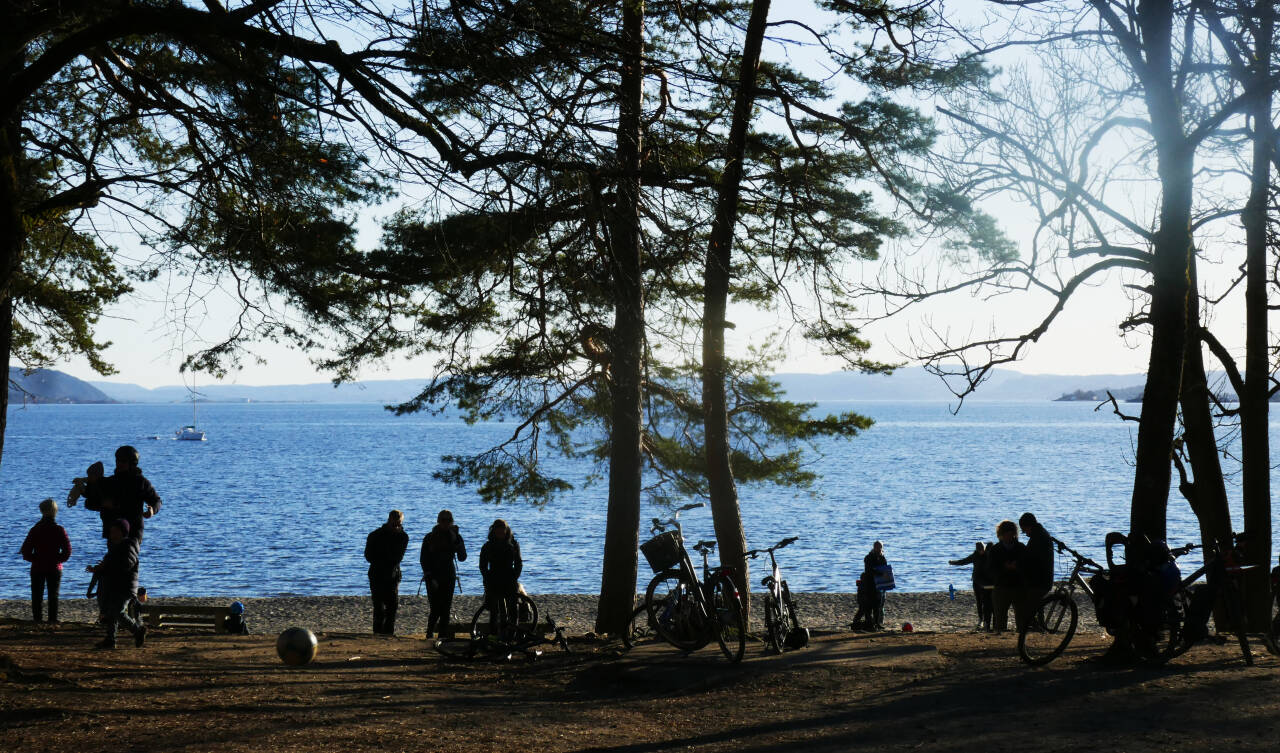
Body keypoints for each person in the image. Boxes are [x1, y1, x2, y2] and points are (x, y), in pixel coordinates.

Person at [88, 518, 145, 649]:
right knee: (111, 611)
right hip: (115, 585)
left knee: (118, 612)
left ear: (122, 532)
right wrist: (97, 569)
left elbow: (125, 565)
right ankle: (110, 639)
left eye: (115, 531)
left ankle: (137, 630)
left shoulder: (128, 546)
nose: (112, 534)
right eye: (111, 531)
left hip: (125, 586)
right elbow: (109, 565)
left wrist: (105, 567)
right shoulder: (114, 548)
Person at [20, 498, 72, 623]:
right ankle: (52, 620)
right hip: (54, 567)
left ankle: (37, 620)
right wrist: (57, 559)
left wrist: (35, 559)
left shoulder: (35, 529)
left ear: (42, 511)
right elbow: (67, 551)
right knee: (53, 595)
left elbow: (25, 551)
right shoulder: (59, 529)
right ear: (55, 511)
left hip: (38, 566)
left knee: (37, 595)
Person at [421, 509, 467, 638]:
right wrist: (429, 575)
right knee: (435, 608)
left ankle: (442, 636)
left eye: (448, 520)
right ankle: (429, 634)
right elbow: (423, 559)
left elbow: (462, 557)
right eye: (443, 520)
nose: (445, 523)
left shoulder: (456, 537)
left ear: (452, 522)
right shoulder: (429, 537)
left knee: (446, 609)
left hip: (449, 575)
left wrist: (457, 541)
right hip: (433, 576)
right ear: (438, 521)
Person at [364, 509, 409, 635]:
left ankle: (388, 633)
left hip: (392, 575)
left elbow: (397, 557)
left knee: (392, 606)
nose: (396, 525)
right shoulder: (375, 535)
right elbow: (368, 556)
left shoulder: (402, 537)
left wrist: (381, 556)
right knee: (379, 606)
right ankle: (378, 632)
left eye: (398, 523)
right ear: (389, 520)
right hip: (377, 574)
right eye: (395, 522)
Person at [104, 446, 162, 542]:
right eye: (117, 460)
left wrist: (152, 510)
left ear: (132, 463)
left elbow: (156, 501)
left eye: (123, 461)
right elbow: (92, 503)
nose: (119, 463)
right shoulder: (109, 482)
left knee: (128, 556)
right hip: (113, 532)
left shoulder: (141, 482)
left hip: (133, 532)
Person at [479, 519, 522, 634]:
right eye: (497, 528)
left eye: (502, 528)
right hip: (493, 579)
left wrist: (514, 577)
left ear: (506, 530)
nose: (500, 531)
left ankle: (512, 634)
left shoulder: (513, 544)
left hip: (509, 578)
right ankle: (494, 636)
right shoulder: (488, 546)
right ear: (493, 531)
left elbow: (518, 563)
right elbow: (482, 565)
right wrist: (487, 579)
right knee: (494, 611)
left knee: (513, 609)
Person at [986, 520, 1028, 633]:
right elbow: (990, 569)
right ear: (1001, 534)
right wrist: (1004, 568)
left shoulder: (1021, 548)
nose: (1009, 536)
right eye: (1006, 534)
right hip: (1001, 586)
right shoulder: (995, 549)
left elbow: (1027, 566)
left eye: (1011, 534)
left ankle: (1021, 637)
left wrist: (1016, 567)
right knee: (999, 618)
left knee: (1021, 617)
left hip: (1018, 586)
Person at [949, 541, 994, 631]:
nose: (981, 551)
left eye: (982, 550)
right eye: (979, 550)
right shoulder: (974, 556)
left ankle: (986, 621)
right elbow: (964, 561)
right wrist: (953, 562)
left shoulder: (989, 555)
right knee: (979, 601)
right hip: (977, 581)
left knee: (987, 601)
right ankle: (981, 619)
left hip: (986, 582)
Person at [67, 461, 112, 538]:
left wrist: (80, 485)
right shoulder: (94, 482)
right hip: (105, 516)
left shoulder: (100, 485)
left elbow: (89, 496)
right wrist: (81, 482)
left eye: (90, 476)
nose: (89, 477)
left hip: (108, 517)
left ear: (96, 475)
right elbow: (87, 489)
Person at [863, 541, 888, 630]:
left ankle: (877, 623)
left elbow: (885, 569)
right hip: (870, 584)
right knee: (869, 606)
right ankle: (869, 624)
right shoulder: (868, 558)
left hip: (879, 585)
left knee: (878, 606)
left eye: (880, 547)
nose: (879, 549)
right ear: (874, 547)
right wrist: (880, 573)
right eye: (877, 547)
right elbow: (869, 571)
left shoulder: (882, 558)